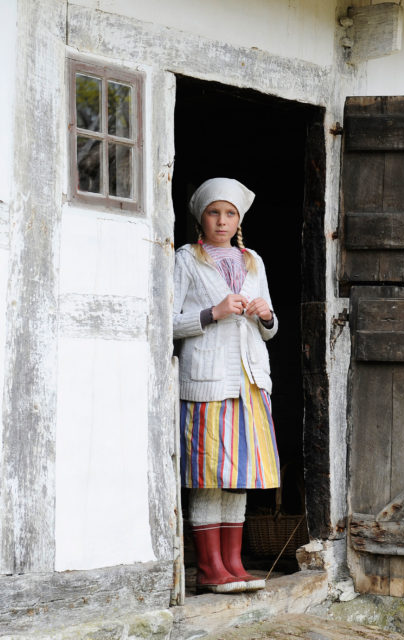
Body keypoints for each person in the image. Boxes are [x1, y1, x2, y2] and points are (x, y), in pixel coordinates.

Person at [173, 177, 280, 594]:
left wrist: (266, 316)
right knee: (209, 472)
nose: (222, 221)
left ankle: (234, 563)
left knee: (241, 474)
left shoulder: (253, 261)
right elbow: (165, 320)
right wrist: (211, 313)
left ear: (239, 220)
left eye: (230, 213)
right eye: (214, 212)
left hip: (251, 382)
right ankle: (209, 567)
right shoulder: (187, 259)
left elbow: (270, 331)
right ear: (201, 217)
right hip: (209, 382)